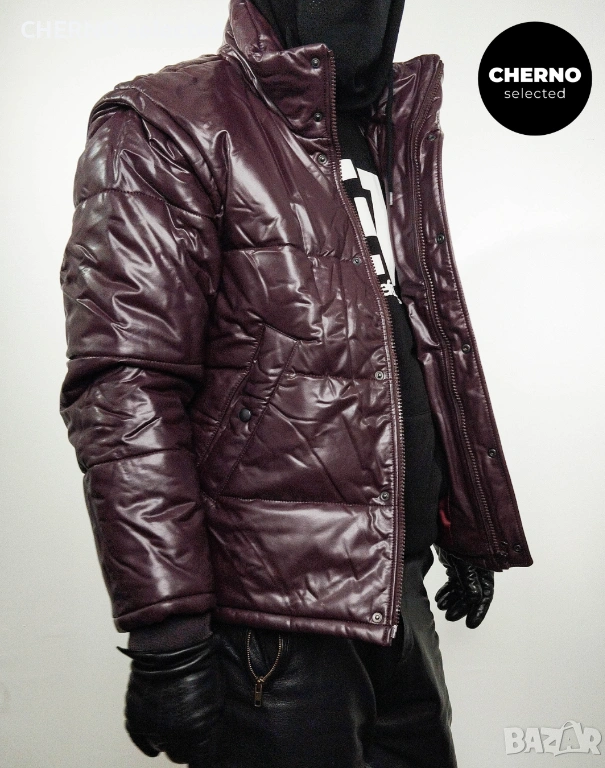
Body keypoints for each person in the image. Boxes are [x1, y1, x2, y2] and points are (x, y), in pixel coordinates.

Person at [59, 0, 533, 765]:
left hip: (399, 590)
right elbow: (126, 385)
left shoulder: (384, 128)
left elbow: (418, 343)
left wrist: (460, 524)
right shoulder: (168, 122)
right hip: (272, 624)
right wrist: (166, 631)